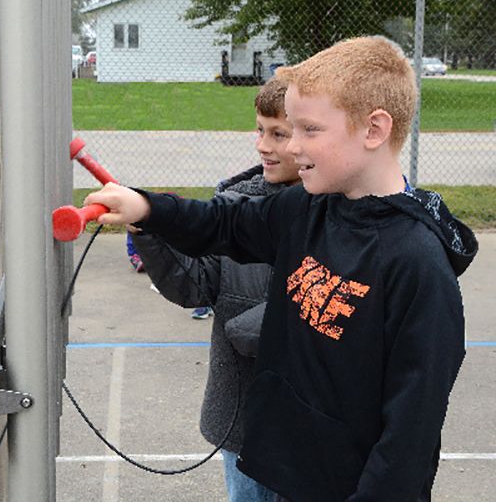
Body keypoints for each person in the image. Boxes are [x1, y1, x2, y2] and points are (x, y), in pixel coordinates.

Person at [84, 36, 478, 501]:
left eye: (309, 130)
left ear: (374, 130)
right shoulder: (307, 208)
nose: (291, 145)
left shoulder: (417, 264)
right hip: (282, 468)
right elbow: (224, 223)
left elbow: (409, 437)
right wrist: (146, 208)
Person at [129, 77, 300, 502]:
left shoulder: (346, 212)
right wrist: (147, 230)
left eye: (279, 134)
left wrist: (261, 326)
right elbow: (194, 286)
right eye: (260, 130)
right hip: (243, 423)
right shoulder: (237, 199)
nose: (263, 145)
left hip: (313, 430)